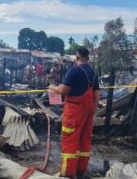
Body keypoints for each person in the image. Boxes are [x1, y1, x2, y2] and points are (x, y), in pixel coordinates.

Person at [49, 47, 101, 179]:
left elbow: (64, 90)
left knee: (69, 140)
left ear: (77, 57)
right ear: (87, 57)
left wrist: (52, 87)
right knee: (84, 139)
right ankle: (81, 170)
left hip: (74, 111)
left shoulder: (74, 71)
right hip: (88, 111)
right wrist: (93, 110)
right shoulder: (93, 73)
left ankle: (68, 173)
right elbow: (97, 93)